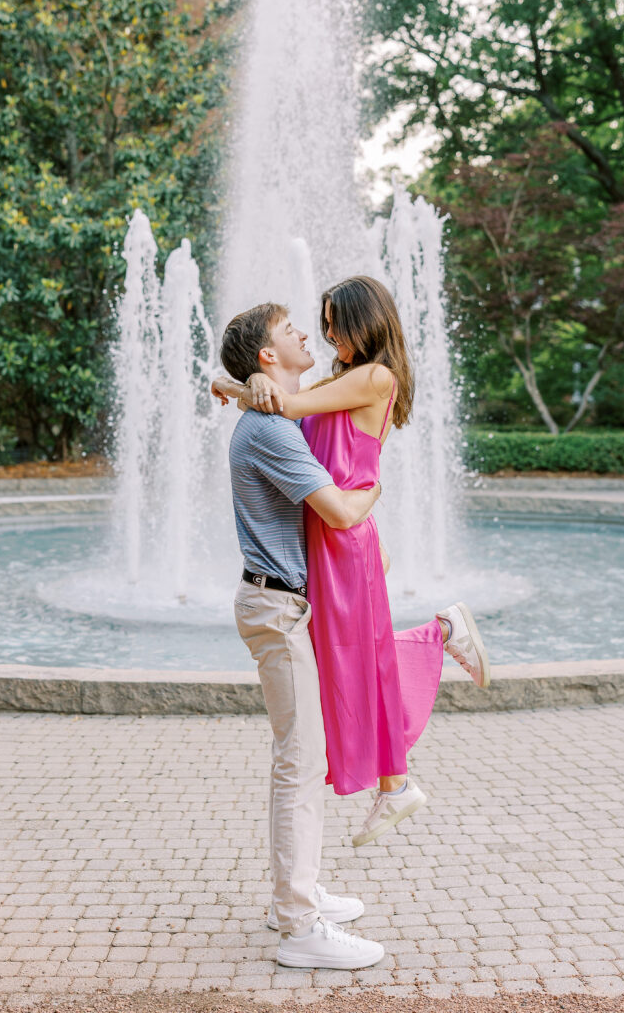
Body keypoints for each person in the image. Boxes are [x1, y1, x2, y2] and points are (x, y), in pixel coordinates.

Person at [213, 275, 490, 852]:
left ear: (366, 320)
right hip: (335, 539)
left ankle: (397, 774)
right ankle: (396, 774)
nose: (327, 331)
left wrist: (240, 384)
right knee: (356, 660)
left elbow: (284, 404)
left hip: (343, 538)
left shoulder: (375, 376)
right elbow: (283, 408)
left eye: (336, 320)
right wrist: (235, 380)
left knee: (358, 663)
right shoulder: (343, 379)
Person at [216, 302, 386, 970]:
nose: (305, 337)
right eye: (290, 333)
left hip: (282, 606)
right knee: (298, 765)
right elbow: (342, 510)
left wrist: (239, 386)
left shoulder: (267, 412)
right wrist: (374, 481)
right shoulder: (271, 432)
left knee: (300, 762)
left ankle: (299, 892)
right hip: (277, 609)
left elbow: (264, 399)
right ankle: (298, 925)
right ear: (267, 357)